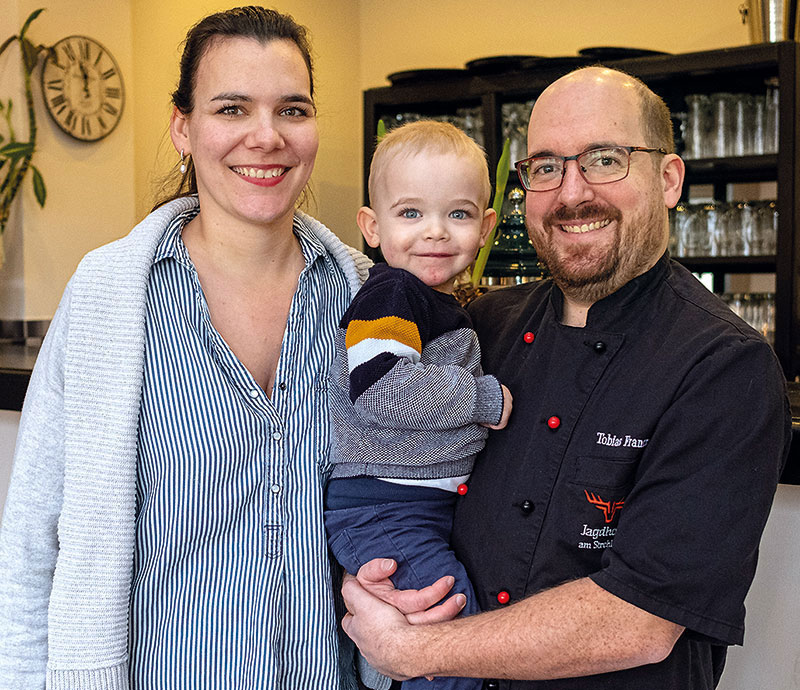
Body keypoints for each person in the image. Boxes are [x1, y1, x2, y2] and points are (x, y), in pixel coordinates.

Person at [339, 66, 791, 690]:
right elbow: (375, 462)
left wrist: (414, 650)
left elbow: (640, 620)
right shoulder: (479, 327)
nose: (572, 192)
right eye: (546, 166)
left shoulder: (722, 366)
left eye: (605, 159)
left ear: (668, 179)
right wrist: (371, 578)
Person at [0, 7, 373, 690]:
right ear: (184, 127)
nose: (267, 137)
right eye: (232, 108)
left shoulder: (366, 301)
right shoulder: (109, 297)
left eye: (292, 109)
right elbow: (30, 548)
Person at [324, 120, 513, 690]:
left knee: (422, 625)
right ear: (372, 227)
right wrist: (481, 398)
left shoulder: (434, 300)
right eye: (410, 214)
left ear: (485, 228)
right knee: (451, 635)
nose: (434, 232)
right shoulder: (393, 292)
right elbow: (383, 387)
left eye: (456, 215)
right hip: (384, 503)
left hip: (409, 502)